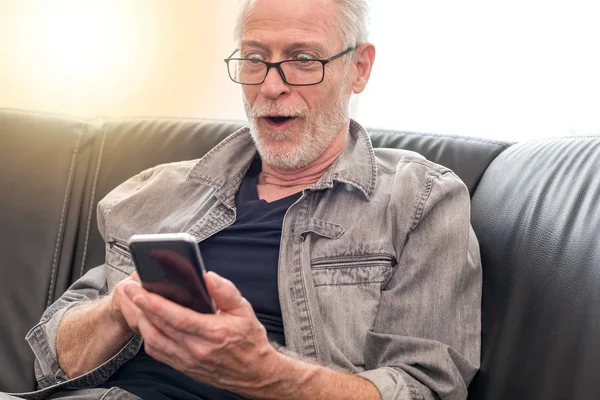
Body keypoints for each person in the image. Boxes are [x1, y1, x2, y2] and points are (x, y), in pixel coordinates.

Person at [4, 0, 481, 399]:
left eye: (303, 59)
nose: (271, 86)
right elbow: (55, 361)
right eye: (254, 58)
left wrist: (265, 371)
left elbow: (425, 389)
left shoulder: (420, 200)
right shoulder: (158, 192)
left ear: (359, 68)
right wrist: (118, 309)